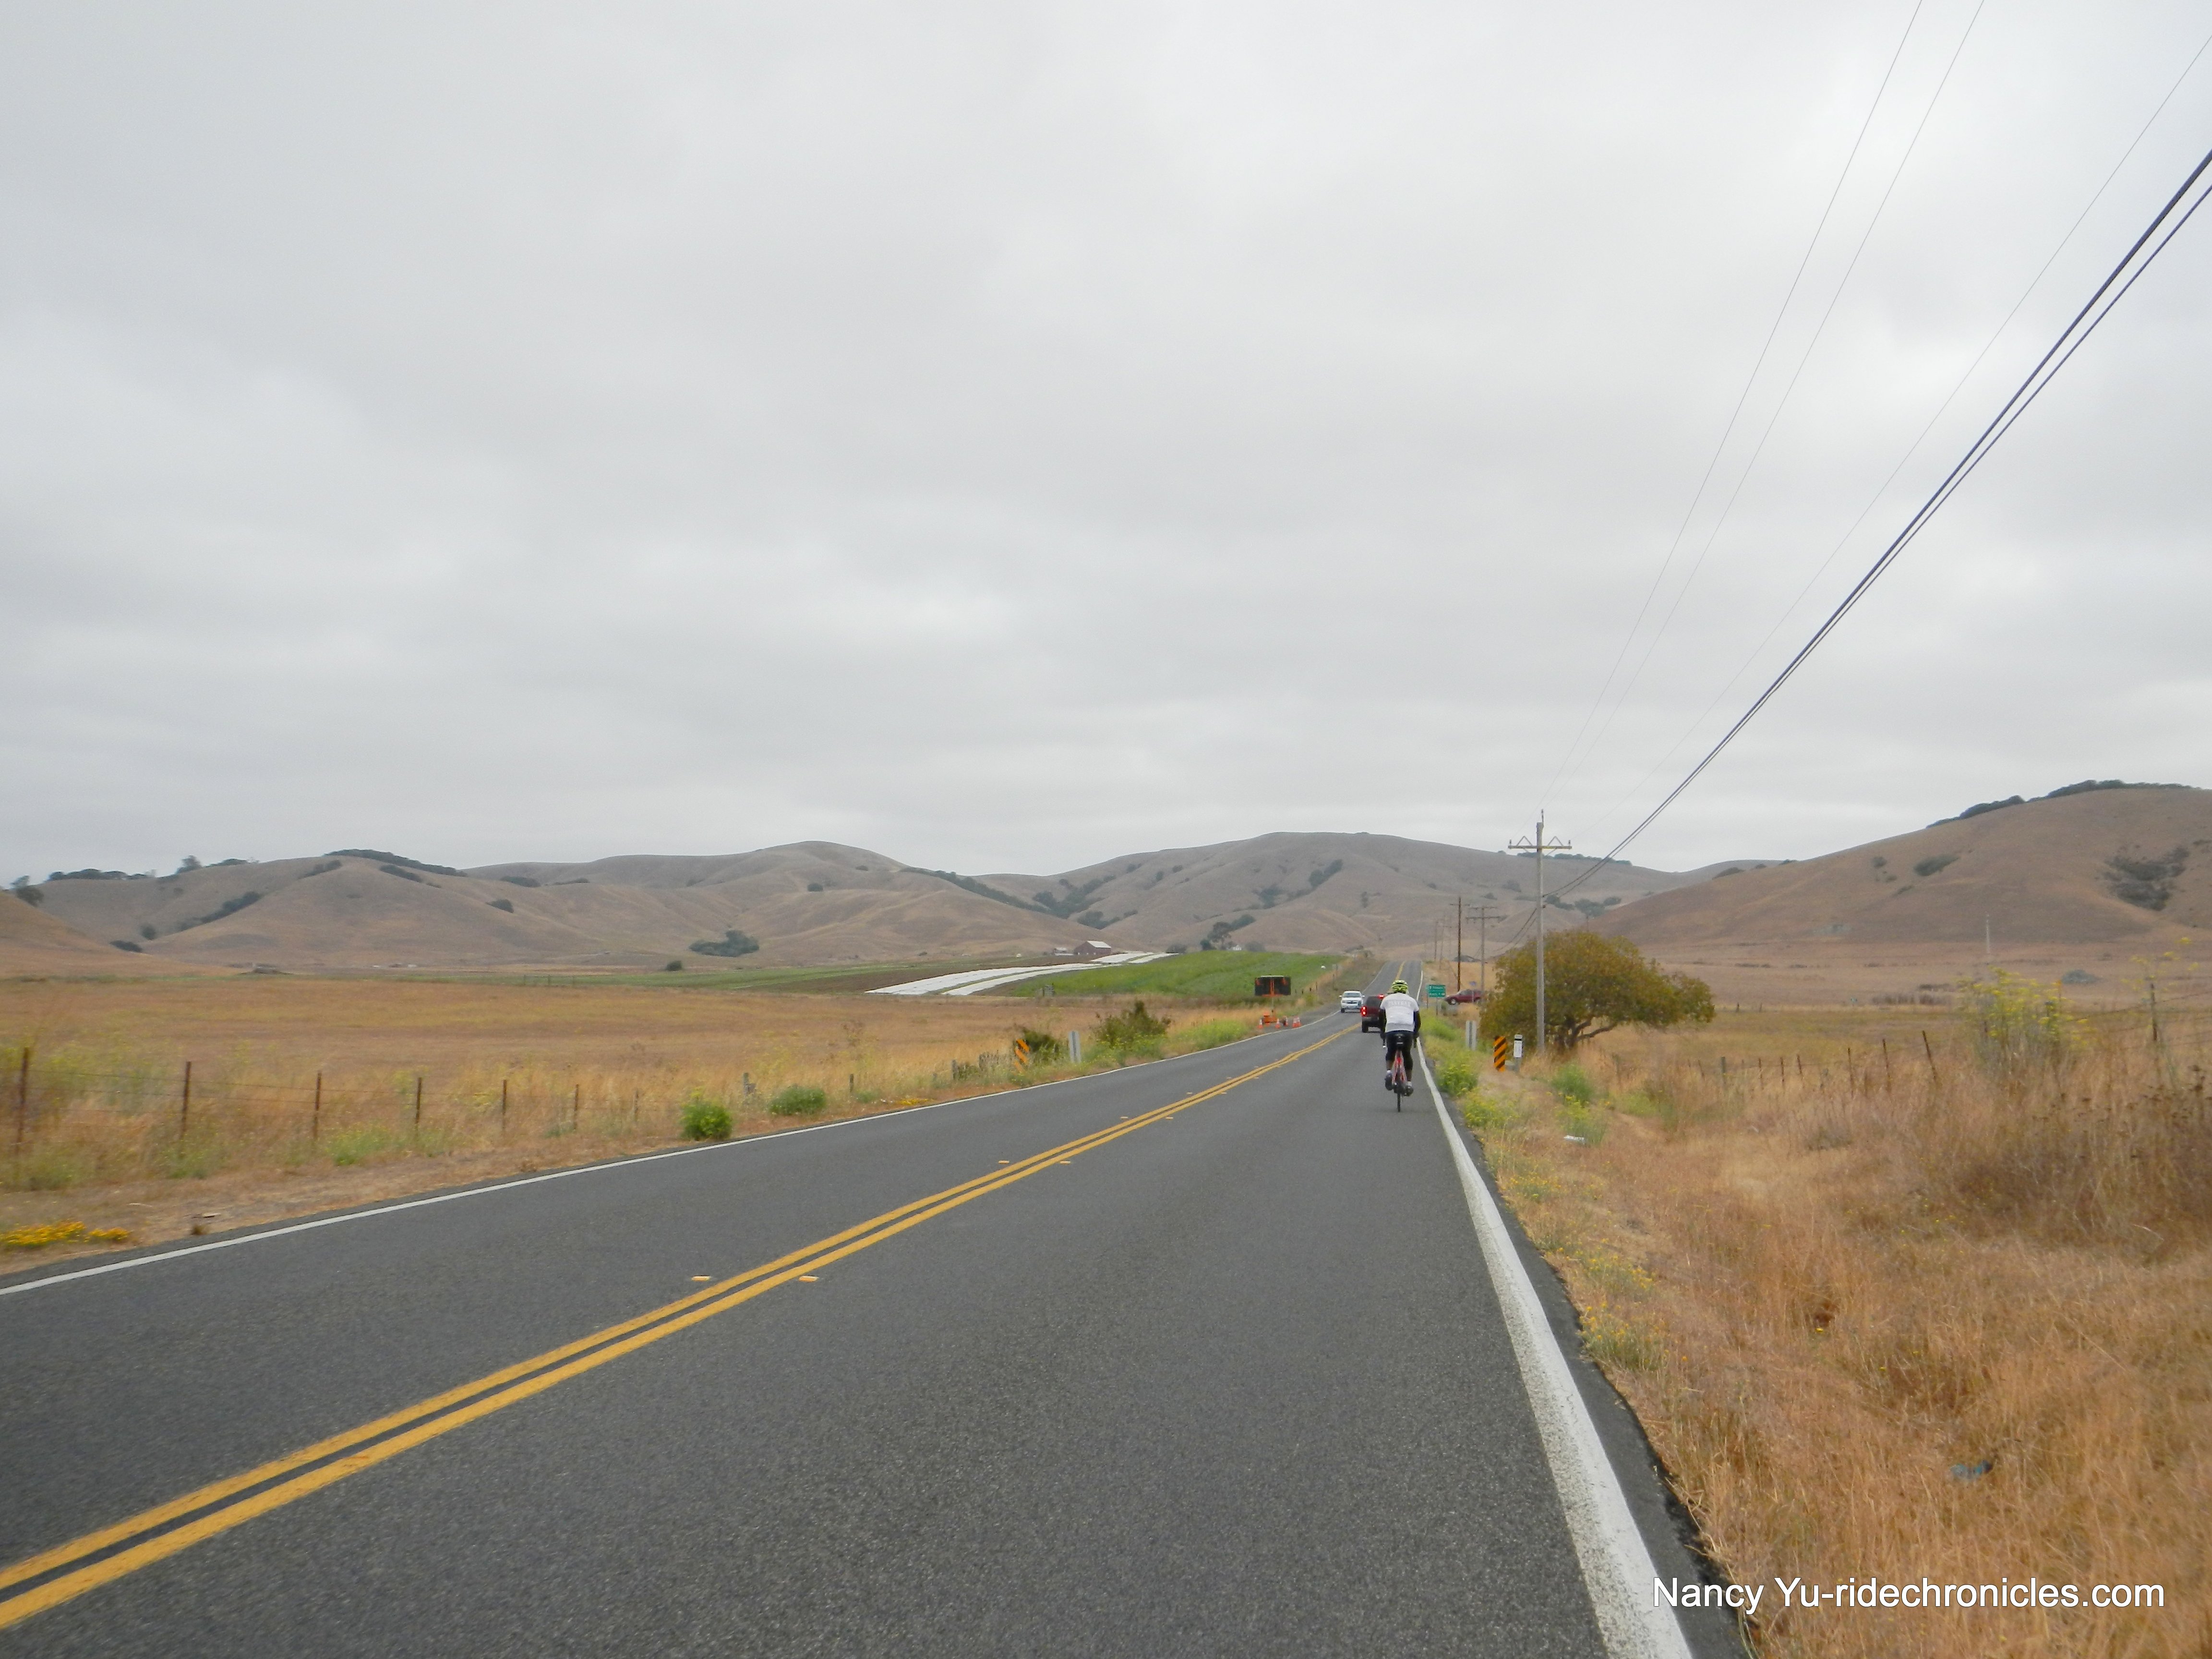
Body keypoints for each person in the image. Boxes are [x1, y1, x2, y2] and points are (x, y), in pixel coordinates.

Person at [1379, 978, 1421, 1084]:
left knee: (1391, 1051)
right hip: (1407, 1030)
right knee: (1407, 1054)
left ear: (1393, 989)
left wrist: (1383, 1031)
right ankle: (1409, 1083)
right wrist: (1415, 1033)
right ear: (1406, 989)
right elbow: (1418, 1020)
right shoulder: (1412, 1001)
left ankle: (1389, 1072)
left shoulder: (1386, 1000)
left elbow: (1381, 1017)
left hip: (1391, 1029)